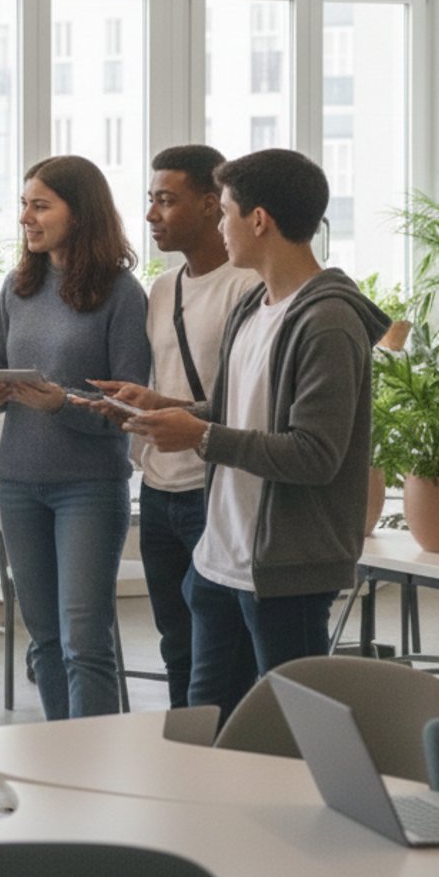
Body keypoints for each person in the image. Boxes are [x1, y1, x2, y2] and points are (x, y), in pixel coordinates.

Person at [110, 149, 389, 721]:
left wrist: (201, 437)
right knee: (207, 726)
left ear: (259, 220)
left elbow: (315, 454)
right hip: (219, 561)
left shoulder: (328, 321)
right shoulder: (255, 306)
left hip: (285, 570)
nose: (219, 226)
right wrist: (169, 410)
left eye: (227, 212)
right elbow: (241, 410)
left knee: (297, 736)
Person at [0, 155, 150, 721]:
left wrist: (65, 404)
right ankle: (57, 763)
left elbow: (130, 407)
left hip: (88, 488)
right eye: (24, 204)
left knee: (84, 642)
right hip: (19, 481)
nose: (26, 216)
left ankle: (92, 778)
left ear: (82, 213)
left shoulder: (122, 294)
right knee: (43, 640)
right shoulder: (17, 285)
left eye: (41, 205)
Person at [126, 146, 259, 709]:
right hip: (159, 490)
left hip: (216, 488)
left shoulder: (247, 285)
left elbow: (247, 400)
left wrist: (171, 408)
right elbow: (168, 377)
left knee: (224, 651)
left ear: (211, 206)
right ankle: (184, 761)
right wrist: (138, 406)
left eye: (166, 200)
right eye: (150, 200)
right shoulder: (162, 288)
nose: (153, 214)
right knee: (176, 644)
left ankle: (227, 764)